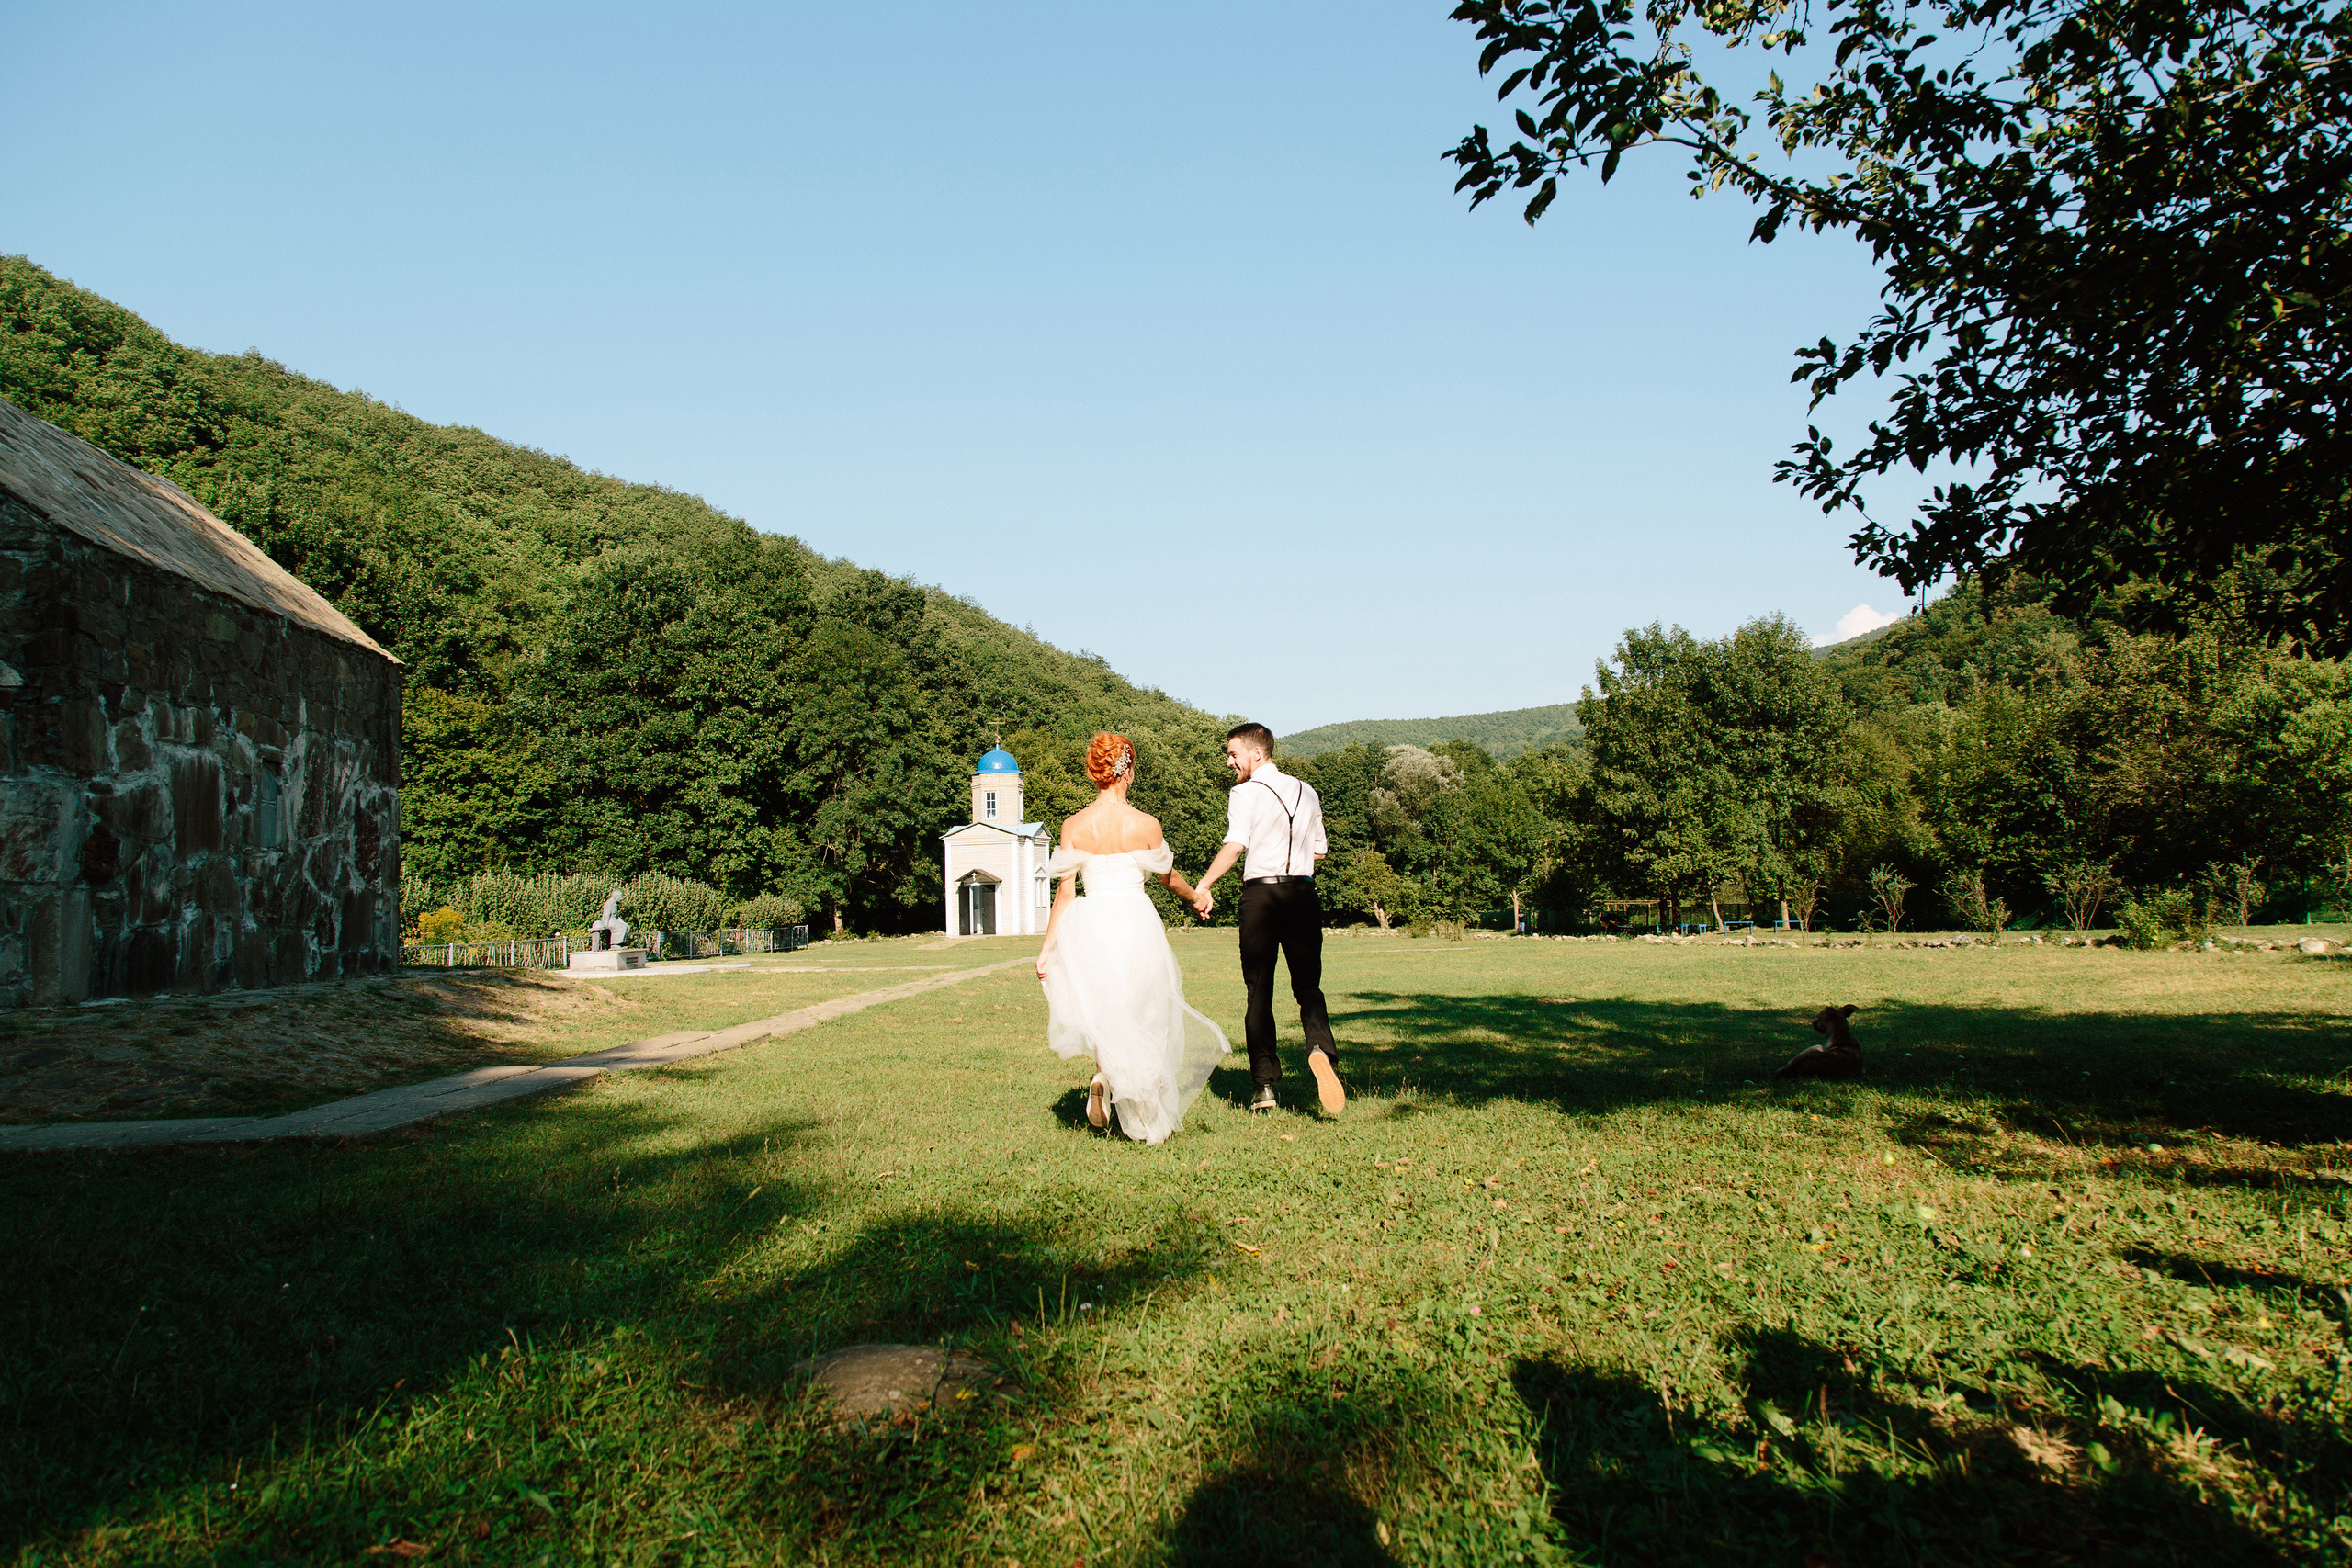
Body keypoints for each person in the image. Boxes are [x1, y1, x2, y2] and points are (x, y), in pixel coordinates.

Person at [1035, 733, 1230, 1143]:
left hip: (1091, 924)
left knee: (1106, 1009)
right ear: (1127, 770)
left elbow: (1066, 892)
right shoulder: (1144, 824)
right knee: (1148, 1009)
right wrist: (1197, 898)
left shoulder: (1074, 825)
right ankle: (1142, 1113)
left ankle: (1106, 1076)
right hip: (1134, 919)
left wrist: (1047, 948)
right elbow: (1168, 878)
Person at [1189, 723, 1343, 1116]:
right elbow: (1321, 851)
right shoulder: (1308, 791)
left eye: (1233, 753)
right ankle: (1320, 1048)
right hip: (1302, 893)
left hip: (1262, 897)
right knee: (1309, 987)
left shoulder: (1244, 792)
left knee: (1259, 990)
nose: (1229, 762)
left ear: (1256, 754)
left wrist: (1202, 885)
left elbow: (1236, 843)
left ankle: (1264, 1087)